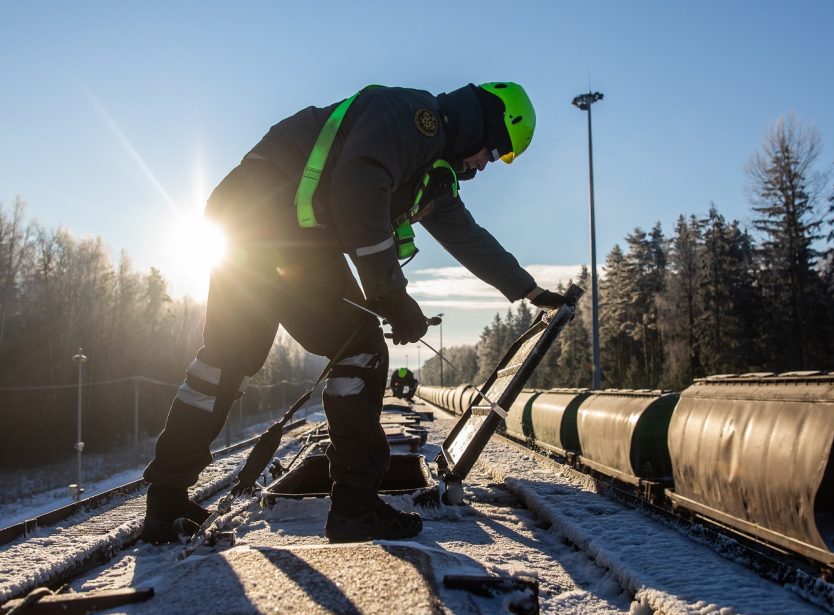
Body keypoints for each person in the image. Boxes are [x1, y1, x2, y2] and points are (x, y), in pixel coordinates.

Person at [141, 81, 574, 544]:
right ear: (484, 121)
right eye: (496, 149)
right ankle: (354, 507)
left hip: (244, 220)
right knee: (362, 345)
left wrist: (528, 290)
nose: (487, 163)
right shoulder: (414, 119)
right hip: (278, 226)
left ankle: (165, 503)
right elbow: (359, 182)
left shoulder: (431, 172)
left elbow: (469, 238)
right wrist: (389, 293)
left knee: (224, 357)